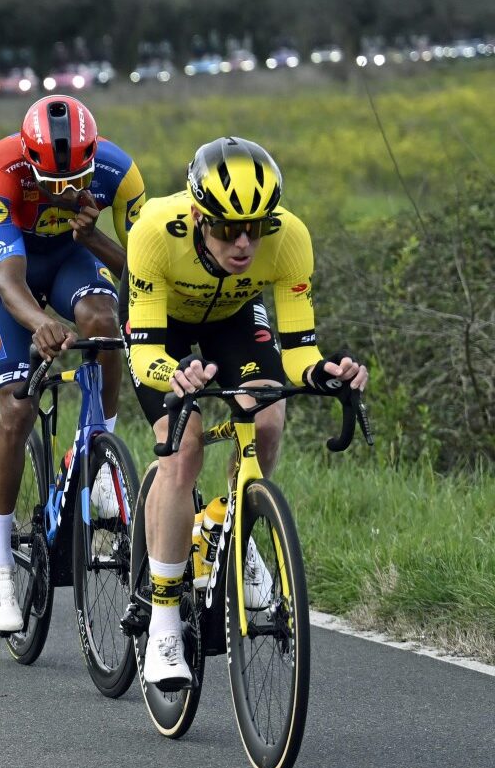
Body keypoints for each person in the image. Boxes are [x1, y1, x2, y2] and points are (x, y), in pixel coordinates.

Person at [127, 137, 366, 689]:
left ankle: (234, 520)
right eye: (227, 229)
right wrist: (175, 376)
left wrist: (324, 372)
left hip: (233, 317)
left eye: (254, 228)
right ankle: (164, 619)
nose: (242, 243)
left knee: (267, 412)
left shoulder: (289, 237)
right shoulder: (155, 234)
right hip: (163, 326)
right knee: (183, 446)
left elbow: (300, 348)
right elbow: (145, 355)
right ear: (196, 217)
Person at [0, 96, 146, 632]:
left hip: (73, 257)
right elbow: (8, 280)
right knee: (16, 407)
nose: (59, 190)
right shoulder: (2, 165)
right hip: (12, 265)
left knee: (104, 321)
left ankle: (98, 455)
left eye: (72, 179)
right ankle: (0, 558)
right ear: (29, 159)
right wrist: (38, 324)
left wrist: (94, 237)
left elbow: (146, 271)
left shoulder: (120, 172)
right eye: (47, 181)